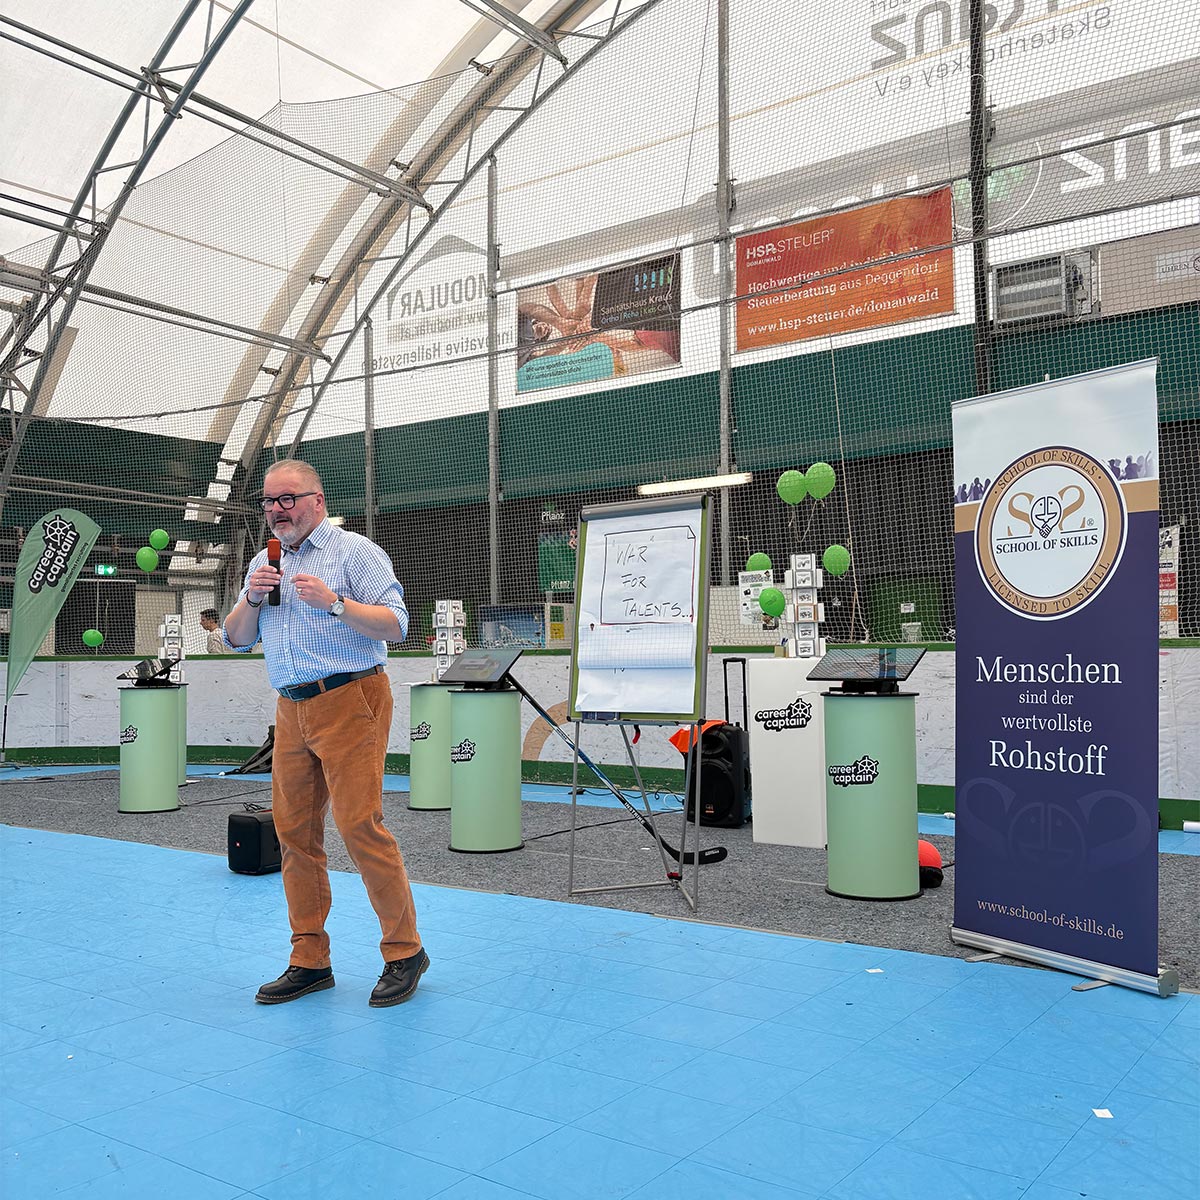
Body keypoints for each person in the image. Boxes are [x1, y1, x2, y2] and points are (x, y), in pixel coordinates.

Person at [222, 460, 427, 1008]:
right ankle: (309, 959)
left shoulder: (355, 552)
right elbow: (236, 638)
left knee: (359, 825)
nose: (277, 510)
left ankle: (405, 951)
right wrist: (251, 599)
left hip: (351, 697)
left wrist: (335, 603)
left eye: (287, 498)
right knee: (293, 833)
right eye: (269, 501)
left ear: (317, 500)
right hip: (291, 707)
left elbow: (398, 625)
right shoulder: (263, 562)